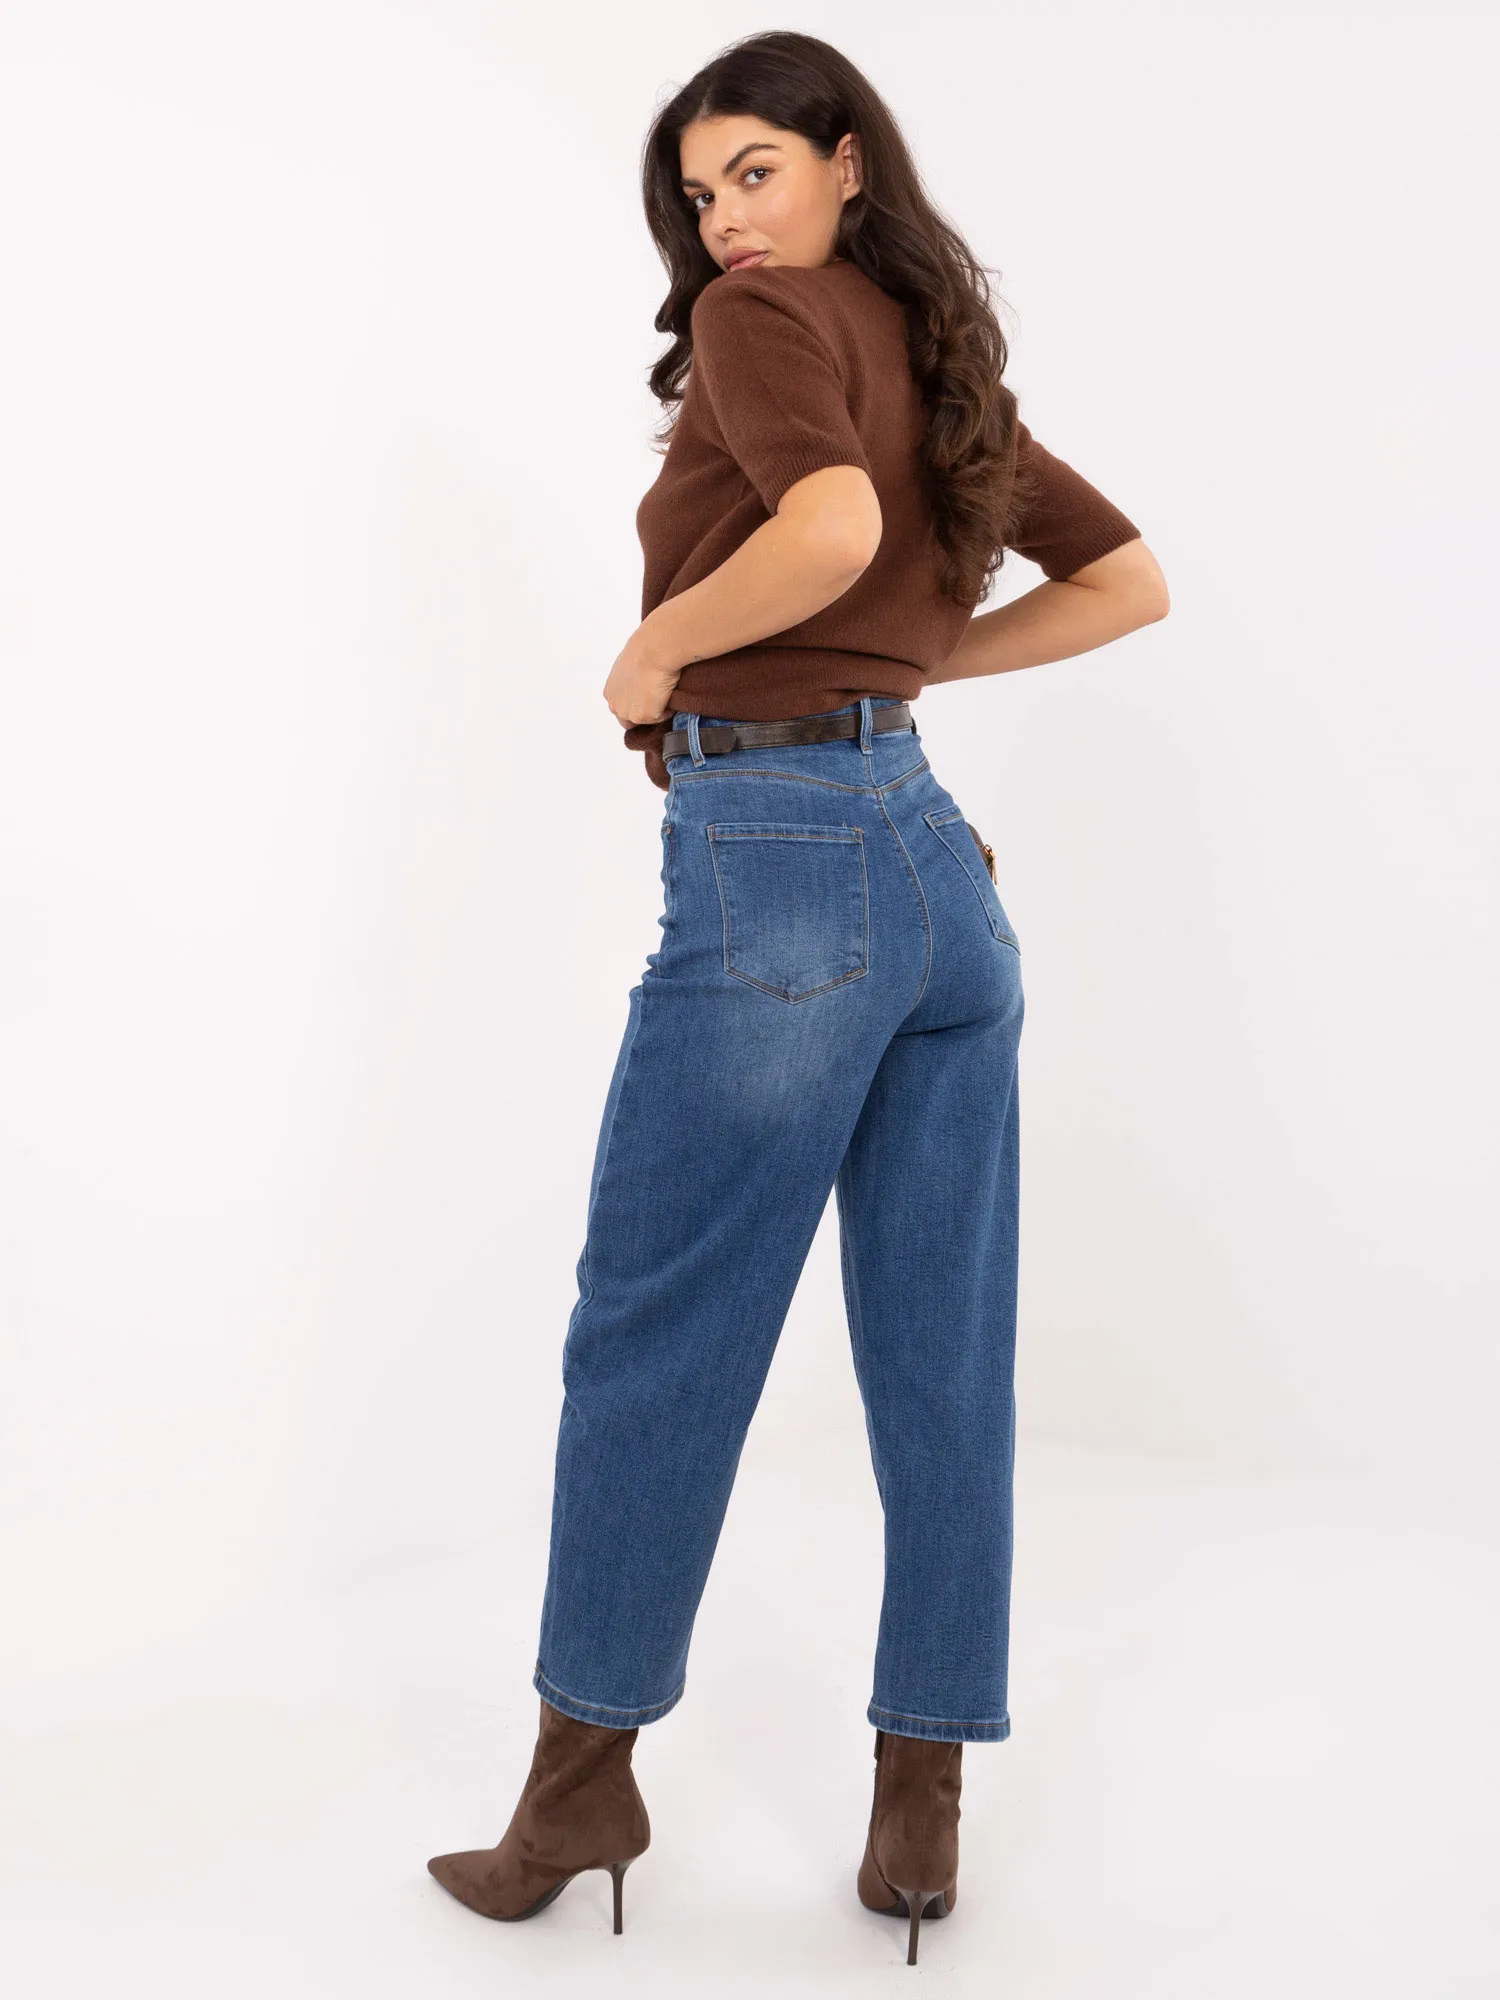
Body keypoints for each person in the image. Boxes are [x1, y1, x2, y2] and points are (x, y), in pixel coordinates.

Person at [426, 30, 1168, 1965]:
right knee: (945, 1359)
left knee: (657, 1333)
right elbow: (1126, 581)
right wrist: (898, 683)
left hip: (783, 866)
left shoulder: (763, 330)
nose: (724, 224)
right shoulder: (937, 360)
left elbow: (830, 531)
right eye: (698, 196)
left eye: (754, 171)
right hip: (933, 874)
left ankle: (577, 1790)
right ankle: (921, 1811)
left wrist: (654, 651)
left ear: (848, 161)